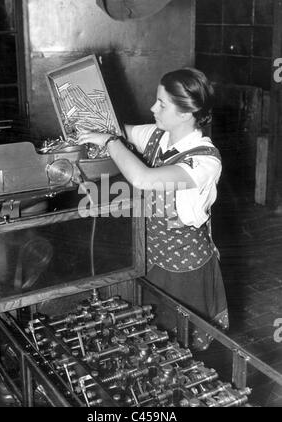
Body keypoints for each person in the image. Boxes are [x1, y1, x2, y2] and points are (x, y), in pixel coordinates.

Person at [78, 67, 229, 350]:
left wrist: (111, 142)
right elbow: (116, 129)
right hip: (149, 258)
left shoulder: (206, 161)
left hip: (184, 269)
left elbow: (142, 179)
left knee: (184, 348)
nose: (152, 107)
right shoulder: (157, 136)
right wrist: (84, 121)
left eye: (162, 103)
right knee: (150, 341)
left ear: (186, 113)